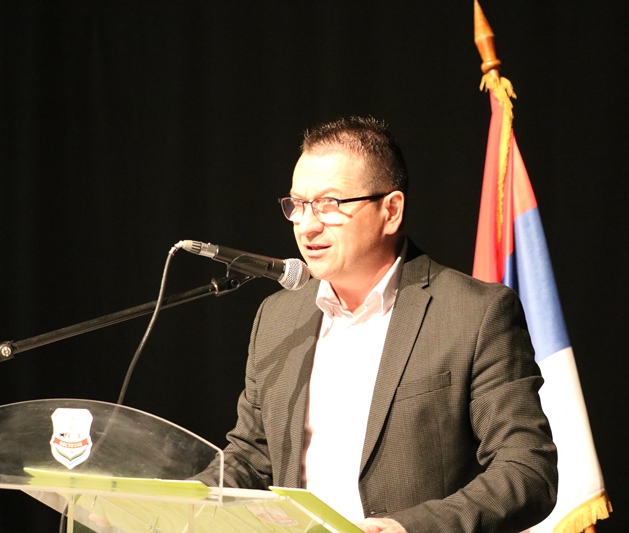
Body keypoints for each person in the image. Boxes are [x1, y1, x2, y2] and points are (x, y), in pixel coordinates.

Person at [196, 116, 558, 532]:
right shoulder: (278, 317)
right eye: (298, 204)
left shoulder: (473, 314)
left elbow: (527, 469)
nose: (307, 226)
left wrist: (410, 528)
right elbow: (250, 458)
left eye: (329, 204)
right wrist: (169, 502)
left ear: (391, 210)